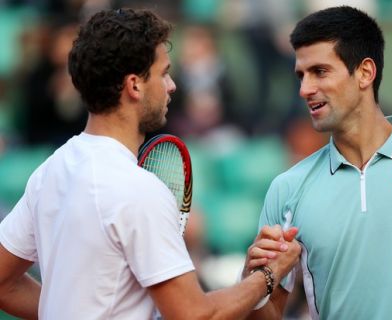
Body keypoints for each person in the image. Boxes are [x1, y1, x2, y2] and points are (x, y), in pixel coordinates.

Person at [0, 8, 301, 320]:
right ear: (134, 86)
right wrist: (268, 276)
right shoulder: (141, 189)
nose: (171, 86)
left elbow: (2, 283)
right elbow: (195, 315)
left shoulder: (50, 170)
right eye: (163, 73)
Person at [243, 6, 392, 319]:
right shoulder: (286, 189)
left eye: (320, 72)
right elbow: (269, 315)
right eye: (301, 75)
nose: (304, 89)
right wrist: (255, 280)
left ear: (365, 73)